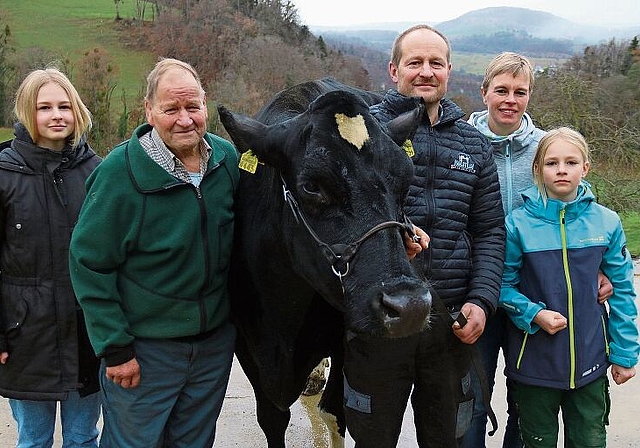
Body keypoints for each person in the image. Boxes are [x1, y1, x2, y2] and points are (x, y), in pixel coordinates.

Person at [342, 24, 505, 447]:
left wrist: (481, 301)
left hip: (450, 325)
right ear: (394, 70)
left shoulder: (473, 143)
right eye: (415, 62)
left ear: (450, 70)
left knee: (444, 439)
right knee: (372, 439)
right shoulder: (361, 136)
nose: (426, 72)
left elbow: (488, 230)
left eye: (436, 63)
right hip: (380, 324)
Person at [69, 58, 239, 448]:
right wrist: (115, 348)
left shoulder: (227, 161)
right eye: (171, 109)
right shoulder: (120, 173)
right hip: (144, 351)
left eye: (192, 107)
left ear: (206, 104)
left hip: (212, 347)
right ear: (148, 111)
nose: (184, 119)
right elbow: (88, 263)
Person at [462, 52, 614, 448]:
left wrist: (592, 268)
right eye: (501, 90)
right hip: (475, 289)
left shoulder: (546, 147)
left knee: (525, 401)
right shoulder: (462, 143)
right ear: (484, 93)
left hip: (531, 295)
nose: (510, 99)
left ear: (530, 95)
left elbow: (579, 212)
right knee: (473, 398)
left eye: (520, 91)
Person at [500, 126, 639, 447]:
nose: (561, 169)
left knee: (589, 440)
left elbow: (623, 292)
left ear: (585, 167)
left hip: (591, 363)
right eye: (551, 163)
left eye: (571, 162)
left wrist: (625, 353)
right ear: (537, 169)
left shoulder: (607, 222)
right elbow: (502, 286)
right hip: (533, 364)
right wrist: (533, 314)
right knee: (537, 441)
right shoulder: (516, 225)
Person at [0, 67, 101, 447]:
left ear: (77, 111)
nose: (56, 115)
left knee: (82, 436)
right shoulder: (4, 176)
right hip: (26, 336)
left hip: (85, 337)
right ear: (28, 113)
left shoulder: (97, 172)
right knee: (34, 439)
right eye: (44, 107)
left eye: (64, 106)